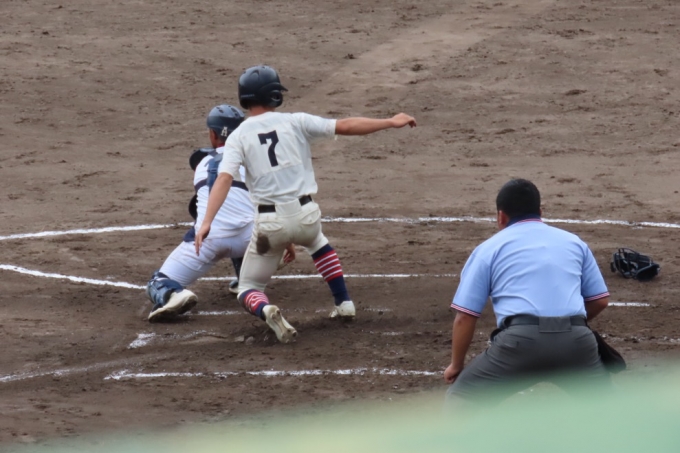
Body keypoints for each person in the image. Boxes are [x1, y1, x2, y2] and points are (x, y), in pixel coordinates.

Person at [195, 65, 416, 343]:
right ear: (273, 94)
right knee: (319, 244)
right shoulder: (295, 121)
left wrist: (207, 222)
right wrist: (390, 121)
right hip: (306, 215)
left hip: (270, 226)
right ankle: (344, 302)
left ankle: (266, 309)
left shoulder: (238, 136)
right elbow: (346, 125)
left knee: (248, 287)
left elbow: (224, 179)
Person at [444, 178, 611, 404]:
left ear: (501, 216)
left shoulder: (488, 249)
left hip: (519, 344)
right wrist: (563, 329)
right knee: (607, 409)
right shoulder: (575, 243)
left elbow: (465, 317)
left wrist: (456, 365)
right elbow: (600, 301)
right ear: (540, 212)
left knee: (461, 398)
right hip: (577, 342)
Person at [146, 104, 255, 322]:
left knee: (158, 281)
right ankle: (247, 279)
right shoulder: (257, 161)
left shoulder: (202, 164)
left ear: (213, 134)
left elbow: (197, 206)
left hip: (208, 240)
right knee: (249, 216)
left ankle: (173, 295)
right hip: (252, 239)